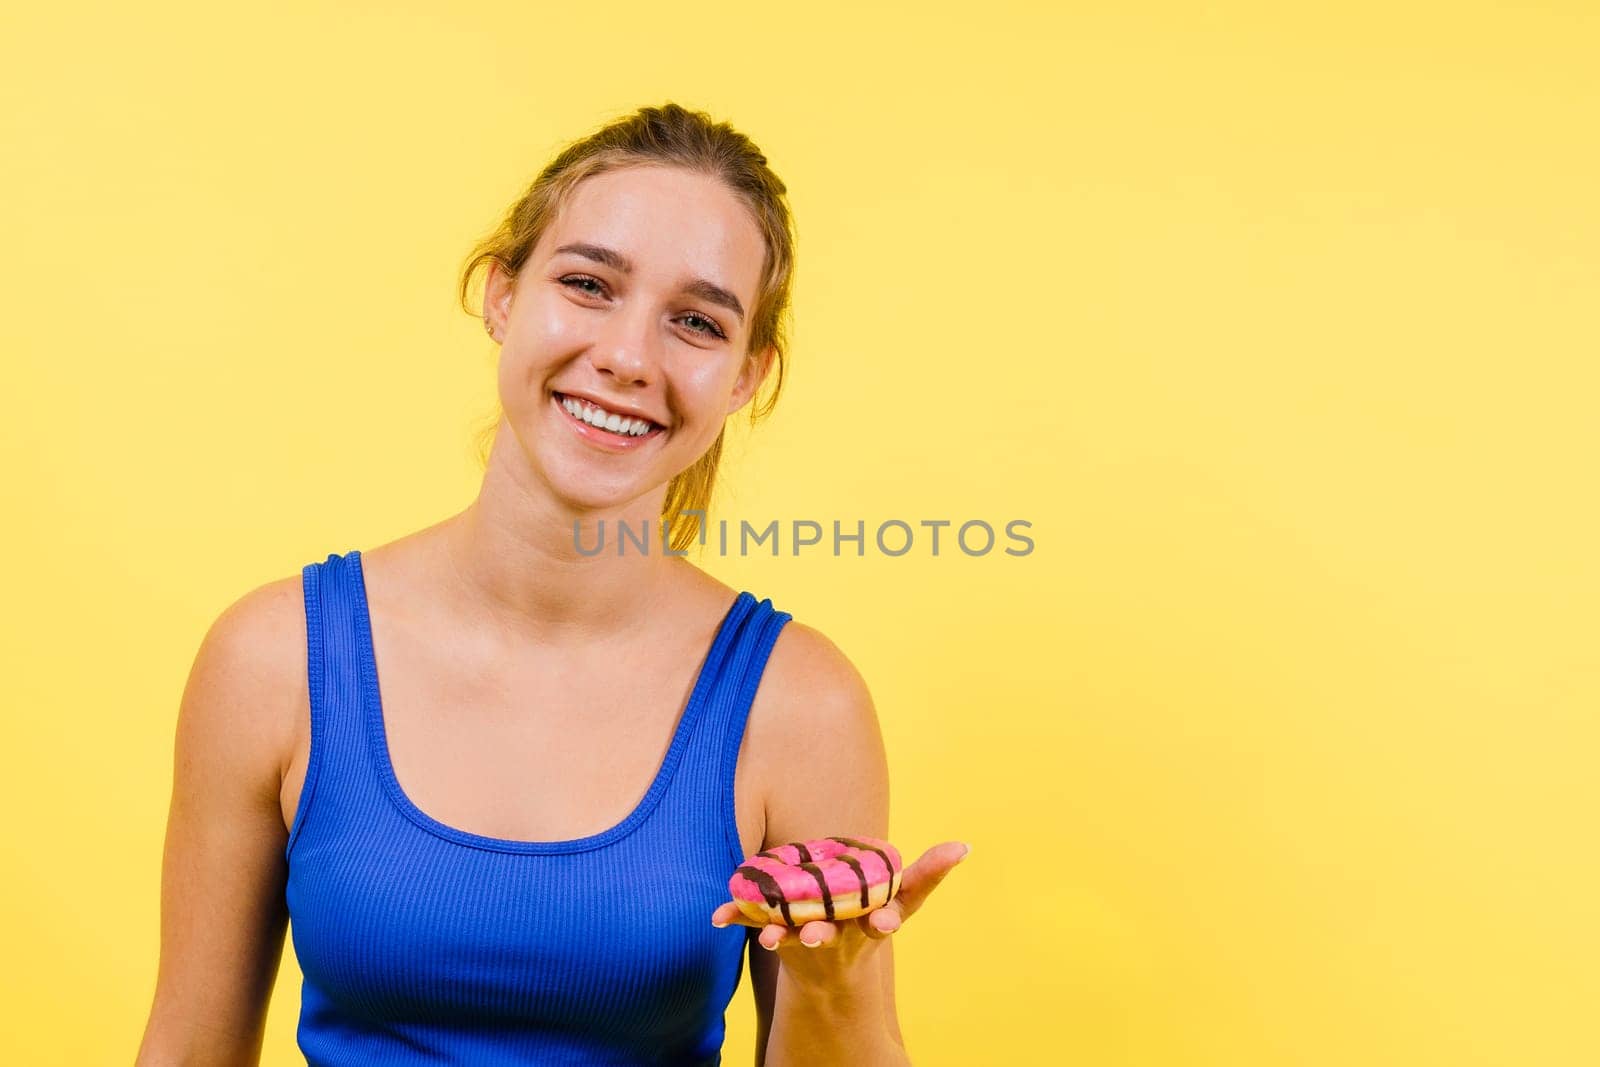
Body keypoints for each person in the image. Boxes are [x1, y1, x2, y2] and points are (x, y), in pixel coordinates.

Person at [136, 102, 969, 1066]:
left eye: (696, 322)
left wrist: (836, 983)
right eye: (586, 284)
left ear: (747, 376)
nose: (625, 357)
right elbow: (187, 1048)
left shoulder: (803, 706)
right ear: (501, 295)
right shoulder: (272, 660)